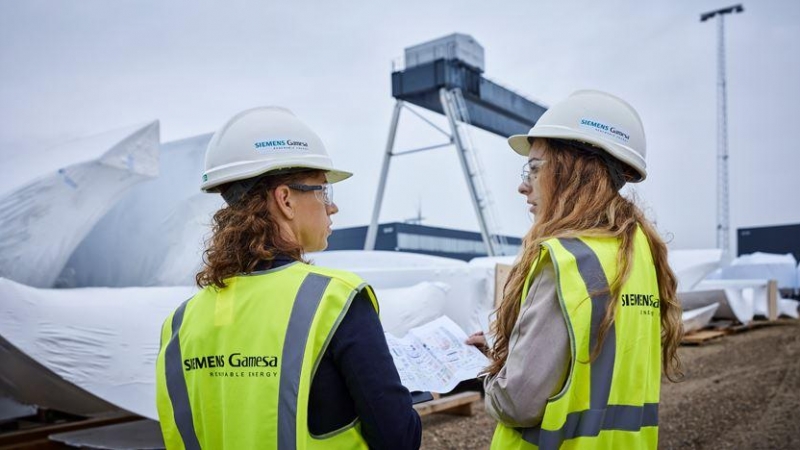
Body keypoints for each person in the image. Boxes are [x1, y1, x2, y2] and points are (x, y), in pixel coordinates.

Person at [155, 106, 421, 449]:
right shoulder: (336, 300)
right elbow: (399, 438)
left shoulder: (179, 324)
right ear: (285, 200)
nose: (332, 207)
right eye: (322, 190)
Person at [467, 90, 683, 449]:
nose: (523, 185)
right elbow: (589, 370)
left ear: (572, 172)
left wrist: (491, 378)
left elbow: (517, 403)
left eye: (535, 169)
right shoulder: (640, 251)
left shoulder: (565, 262)